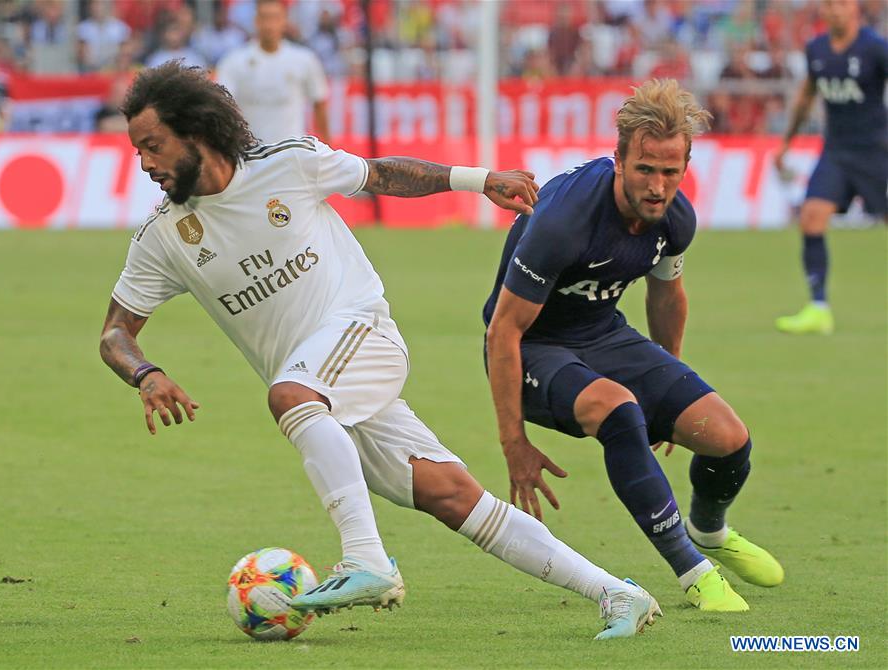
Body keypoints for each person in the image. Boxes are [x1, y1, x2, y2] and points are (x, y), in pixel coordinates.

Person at [99, 61, 662, 640]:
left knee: (289, 394)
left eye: (153, 146)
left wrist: (476, 179)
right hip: (326, 395)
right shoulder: (164, 236)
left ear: (194, 133)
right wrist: (144, 374)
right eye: (139, 150)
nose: (145, 164)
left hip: (361, 336)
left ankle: (366, 560)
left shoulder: (287, 165)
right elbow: (115, 333)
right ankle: (618, 593)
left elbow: (382, 175)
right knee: (454, 496)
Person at [483, 79, 785, 613]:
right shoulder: (564, 221)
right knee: (620, 412)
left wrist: (669, 387)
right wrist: (514, 442)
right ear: (619, 162)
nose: (657, 185)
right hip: (534, 345)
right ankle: (694, 572)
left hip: (603, 331)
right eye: (645, 169)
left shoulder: (676, 220)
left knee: (729, 439)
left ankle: (709, 531)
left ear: (685, 170)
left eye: (670, 172)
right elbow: (503, 331)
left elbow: (668, 297)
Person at [773, 0, 887, 335]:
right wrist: (786, 142)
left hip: (875, 153)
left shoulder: (875, 49)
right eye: (829, 4)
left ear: (855, 9)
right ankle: (819, 308)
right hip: (836, 151)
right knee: (811, 216)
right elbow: (807, 96)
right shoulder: (817, 49)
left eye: (841, 4)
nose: (835, 10)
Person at [217, 0, 330, 145]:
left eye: (275, 18)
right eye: (264, 18)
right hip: (252, 154)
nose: (269, 25)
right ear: (256, 21)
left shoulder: (305, 59)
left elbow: (319, 104)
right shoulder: (233, 61)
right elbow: (223, 104)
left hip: (293, 153)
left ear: (284, 20)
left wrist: (327, 145)